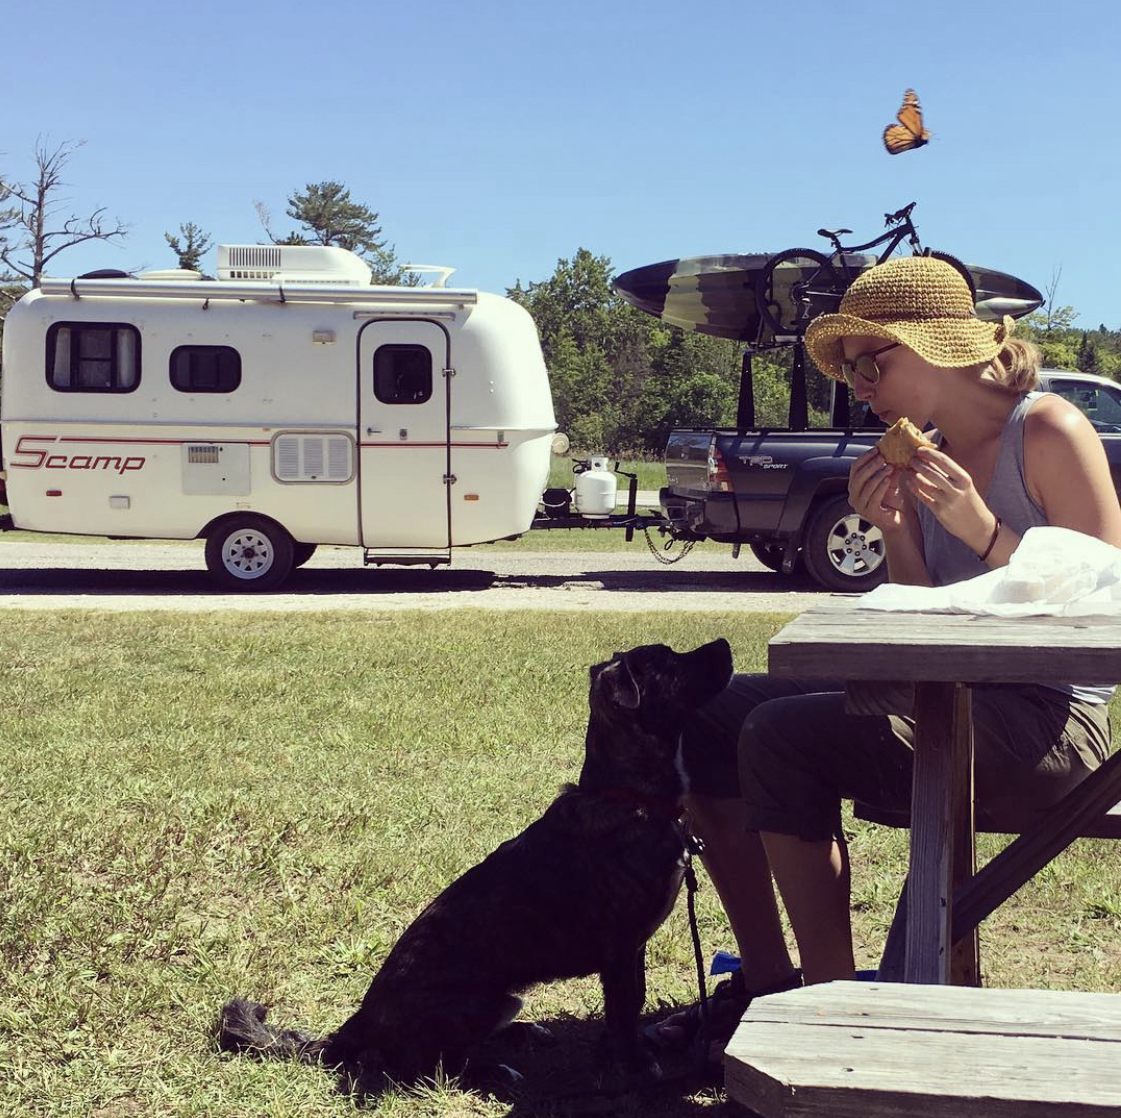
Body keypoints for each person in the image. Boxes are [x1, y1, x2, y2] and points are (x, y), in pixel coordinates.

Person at [648, 255, 1121, 1056]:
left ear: (939, 346)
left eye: (873, 362)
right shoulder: (924, 451)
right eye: (851, 370)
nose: (858, 384)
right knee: (710, 713)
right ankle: (768, 978)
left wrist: (985, 534)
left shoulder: (1045, 430)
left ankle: (833, 1019)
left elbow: (1104, 601)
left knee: (781, 737)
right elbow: (925, 618)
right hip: (955, 699)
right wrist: (898, 532)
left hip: (1055, 724)